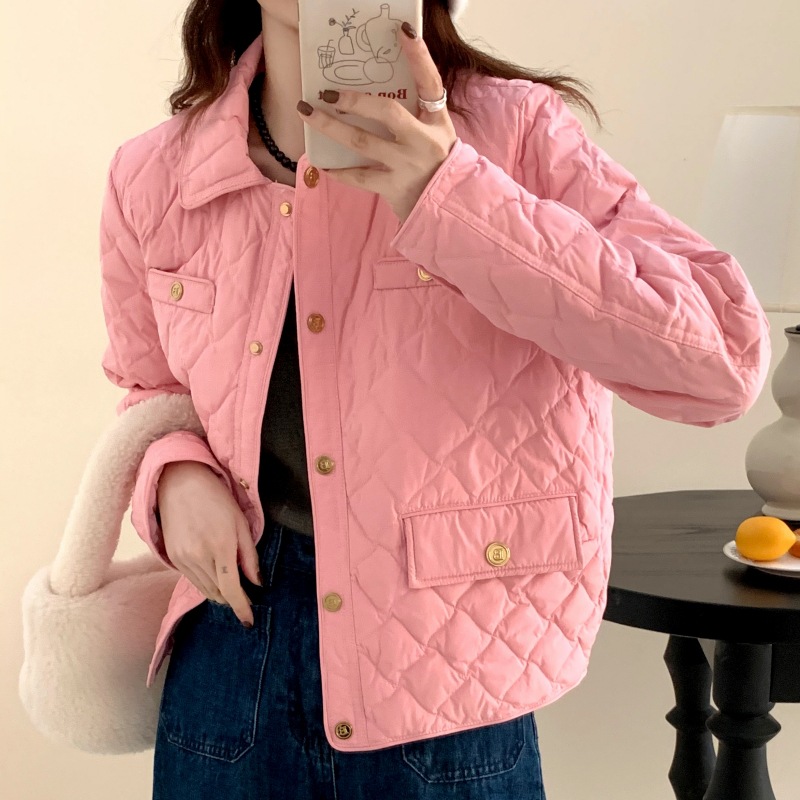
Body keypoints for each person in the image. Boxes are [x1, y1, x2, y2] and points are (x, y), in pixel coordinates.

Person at [97, 1, 771, 798]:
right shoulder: (153, 175)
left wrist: (453, 194)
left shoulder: (517, 133)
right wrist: (173, 477)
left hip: (448, 679)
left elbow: (720, 363)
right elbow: (149, 390)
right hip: (229, 659)